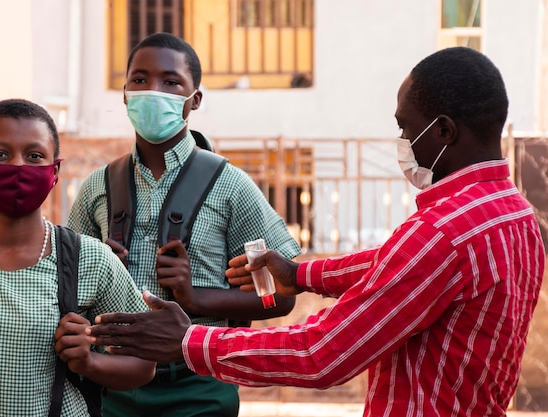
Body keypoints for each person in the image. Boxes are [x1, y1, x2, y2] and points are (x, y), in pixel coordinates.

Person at [85, 47, 546, 416]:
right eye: (139, 80)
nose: (402, 144)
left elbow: (320, 353)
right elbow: (396, 265)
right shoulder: (515, 218)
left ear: (443, 131)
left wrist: (189, 338)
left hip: (198, 390)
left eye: (405, 129)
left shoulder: (443, 232)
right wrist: (301, 274)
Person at [67, 32, 301, 417]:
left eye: (171, 81)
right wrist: (98, 266)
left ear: (194, 100)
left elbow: (280, 295)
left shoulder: (232, 186)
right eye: (139, 79)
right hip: (110, 383)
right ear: (124, 94)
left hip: (199, 386)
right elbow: (66, 290)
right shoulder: (98, 187)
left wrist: (196, 297)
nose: (152, 90)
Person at [0, 98, 156, 417]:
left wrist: (89, 360)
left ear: (54, 171)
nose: (18, 166)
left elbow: (144, 364)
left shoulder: (92, 260)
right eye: (0, 154)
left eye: (34, 156)